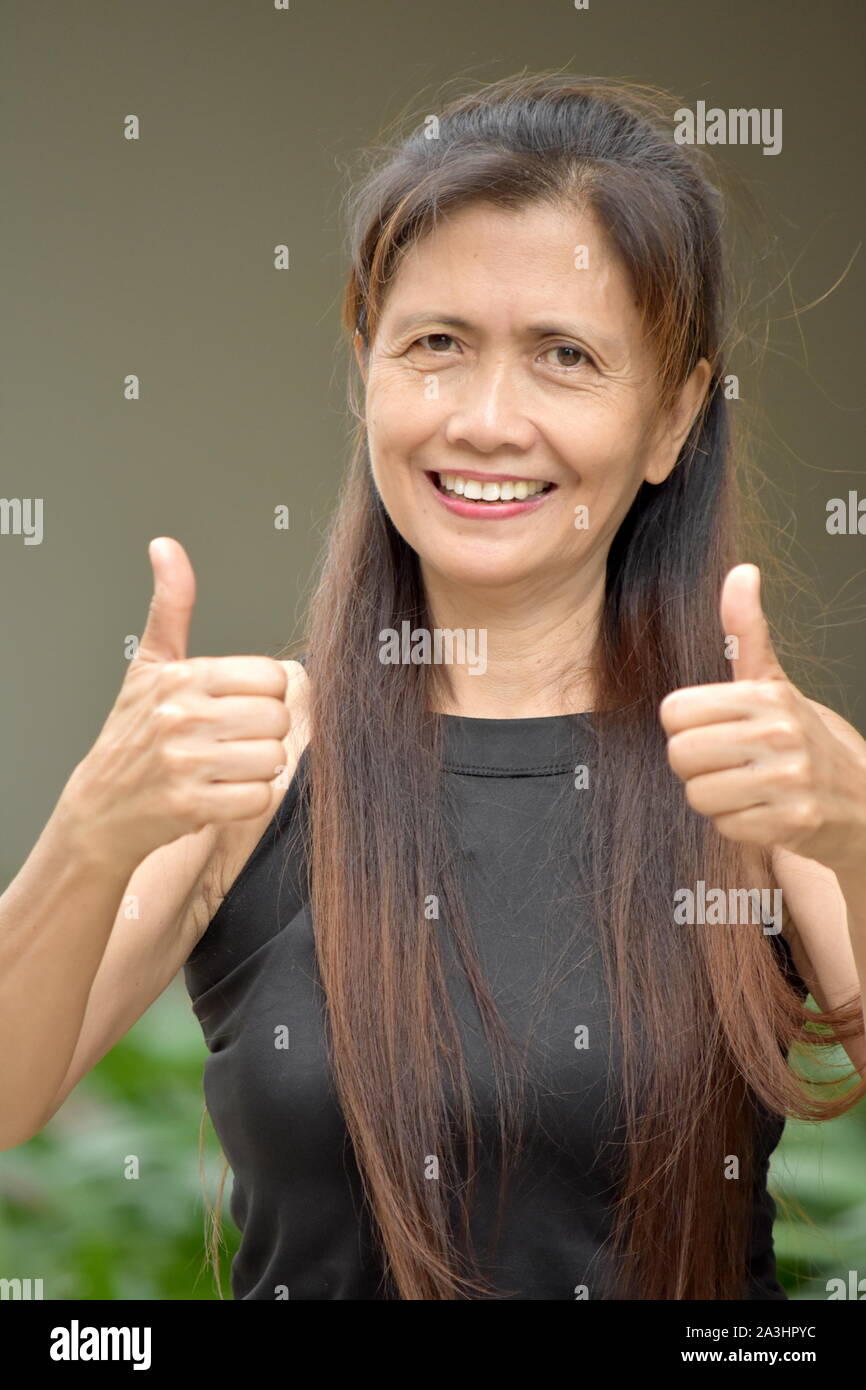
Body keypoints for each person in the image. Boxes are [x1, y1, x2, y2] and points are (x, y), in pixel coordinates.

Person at [2, 72, 865, 1301]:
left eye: (564, 356)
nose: (486, 418)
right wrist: (92, 829)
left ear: (672, 415)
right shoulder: (253, 756)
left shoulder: (769, 761)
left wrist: (850, 825)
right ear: (367, 371)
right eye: (436, 345)